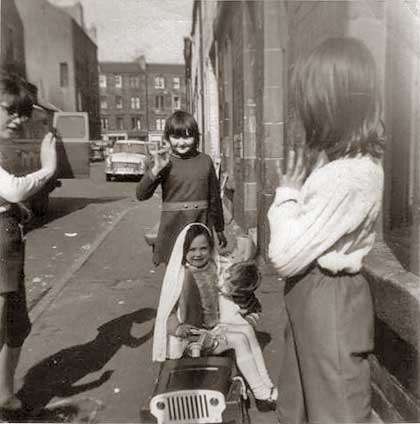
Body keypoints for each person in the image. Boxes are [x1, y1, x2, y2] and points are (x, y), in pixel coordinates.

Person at [267, 37, 385, 423]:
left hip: (327, 299)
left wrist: (286, 194)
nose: (302, 113)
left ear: (332, 106)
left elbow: (284, 256)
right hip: (312, 297)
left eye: (308, 103)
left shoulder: (348, 175)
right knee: (299, 405)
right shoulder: (341, 167)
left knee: (336, 411)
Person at [152, 223, 277, 411]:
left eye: (203, 248)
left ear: (210, 249)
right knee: (239, 340)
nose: (198, 254)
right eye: (192, 249)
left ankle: (266, 383)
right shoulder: (181, 277)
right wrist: (179, 328)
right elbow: (168, 315)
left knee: (246, 330)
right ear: (184, 251)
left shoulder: (213, 266)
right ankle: (260, 393)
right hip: (193, 339)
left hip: (212, 329)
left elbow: (236, 276)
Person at [0, 73, 57, 412]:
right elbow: (12, 189)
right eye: (11, 110)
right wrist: (49, 167)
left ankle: (4, 394)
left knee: (16, 324)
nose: (18, 119)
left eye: (23, 113)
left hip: (9, 237)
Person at [136, 110, 226, 265]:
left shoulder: (205, 161)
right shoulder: (164, 161)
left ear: (196, 137)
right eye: (176, 137)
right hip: (173, 228)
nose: (182, 142)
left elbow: (214, 198)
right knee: (175, 276)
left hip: (200, 224)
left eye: (187, 137)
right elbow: (141, 194)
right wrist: (156, 169)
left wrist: (219, 228)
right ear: (168, 138)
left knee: (200, 273)